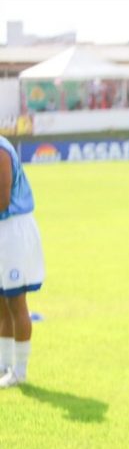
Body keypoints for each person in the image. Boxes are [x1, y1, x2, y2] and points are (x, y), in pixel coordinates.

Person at [0, 135, 45, 388]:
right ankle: (4, 364)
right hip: (3, 230)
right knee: (2, 303)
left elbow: (3, 200)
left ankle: (20, 370)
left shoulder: (1, 151)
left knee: (16, 301)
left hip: (13, 230)